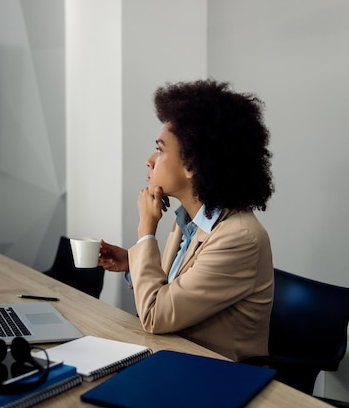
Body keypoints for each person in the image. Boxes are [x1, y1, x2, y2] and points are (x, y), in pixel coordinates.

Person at [99, 79, 275, 362]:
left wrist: (146, 231)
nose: (150, 160)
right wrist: (131, 261)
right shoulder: (188, 219)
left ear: (192, 164)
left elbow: (156, 315)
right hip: (173, 357)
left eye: (160, 149)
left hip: (215, 378)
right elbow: (173, 289)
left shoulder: (239, 238)